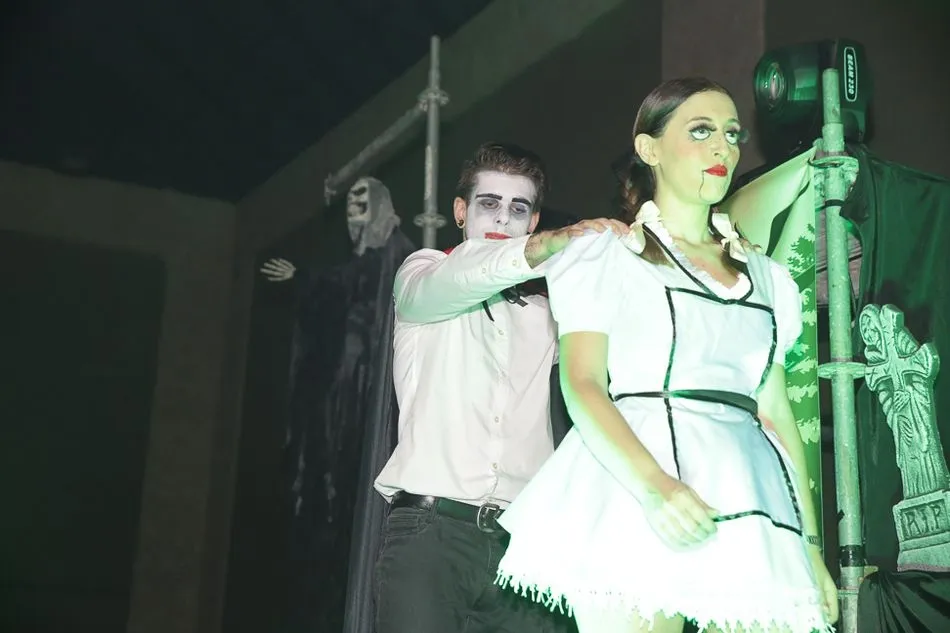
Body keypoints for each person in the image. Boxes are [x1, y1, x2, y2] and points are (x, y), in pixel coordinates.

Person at [494, 78, 839, 633]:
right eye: (701, 131)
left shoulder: (769, 279)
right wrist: (655, 486)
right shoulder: (608, 254)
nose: (723, 146)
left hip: (749, 488)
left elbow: (776, 413)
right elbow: (583, 384)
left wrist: (809, 545)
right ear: (649, 148)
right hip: (633, 482)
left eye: (732, 133)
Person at [372, 142, 627, 633]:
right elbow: (466, 273)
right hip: (431, 536)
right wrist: (550, 247)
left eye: (519, 208)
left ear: (533, 221)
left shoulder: (550, 312)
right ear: (460, 211)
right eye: (489, 203)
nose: (503, 218)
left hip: (524, 547)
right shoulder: (422, 273)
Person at [259, 177, 415, 633]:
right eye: (350, 202)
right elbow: (342, 286)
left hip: (367, 384)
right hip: (343, 385)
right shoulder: (364, 262)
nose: (353, 209)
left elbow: (354, 285)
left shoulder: (396, 255)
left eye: (362, 201)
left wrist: (305, 278)